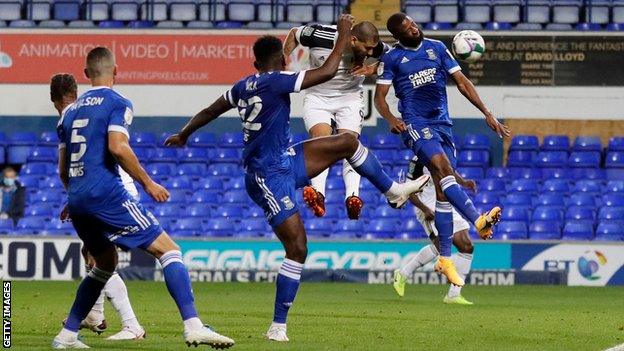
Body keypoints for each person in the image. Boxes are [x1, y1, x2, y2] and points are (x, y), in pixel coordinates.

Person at [165, 14, 430, 343]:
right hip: (266, 176)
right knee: (298, 247)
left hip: (284, 159)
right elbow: (329, 71)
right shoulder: (277, 80)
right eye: (284, 58)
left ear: (254, 62)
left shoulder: (241, 86)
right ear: (280, 60)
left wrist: (183, 133)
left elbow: (210, 110)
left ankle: (392, 191)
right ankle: (277, 327)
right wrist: (344, 32)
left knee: (348, 142)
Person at [52, 48, 234, 349]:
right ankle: (194, 326)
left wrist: (75, 197)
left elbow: (62, 169)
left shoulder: (69, 113)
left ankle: (67, 334)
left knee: (103, 265)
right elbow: (118, 147)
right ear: (117, 71)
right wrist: (148, 183)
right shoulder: (118, 102)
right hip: (106, 194)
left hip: (78, 198)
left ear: (86, 75)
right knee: (169, 251)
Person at [374, 13, 510, 287]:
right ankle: (478, 219)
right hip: (416, 123)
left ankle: (445, 259)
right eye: (407, 28)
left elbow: (462, 83)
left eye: (414, 24)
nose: (414, 28)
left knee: (443, 193)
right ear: (398, 36)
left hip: (443, 124)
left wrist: (487, 113)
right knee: (441, 167)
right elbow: (379, 98)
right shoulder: (391, 59)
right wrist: (392, 120)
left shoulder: (436, 48)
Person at [50, 73, 146, 341]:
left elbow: (65, 170)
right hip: (110, 186)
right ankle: (95, 314)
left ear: (51, 98)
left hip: (110, 189)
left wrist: (75, 197)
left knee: (102, 257)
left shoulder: (67, 118)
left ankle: (131, 325)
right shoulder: (89, 109)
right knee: (90, 252)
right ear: (77, 90)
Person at [283, 21, 390, 220]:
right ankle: (318, 194)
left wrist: (374, 69)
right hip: (318, 95)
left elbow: (394, 57)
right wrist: (283, 62)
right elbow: (295, 34)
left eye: (372, 50)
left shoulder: (374, 48)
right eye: (366, 48)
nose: (369, 53)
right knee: (320, 139)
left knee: (349, 143)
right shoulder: (319, 35)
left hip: (349, 97)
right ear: (353, 39)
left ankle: (353, 197)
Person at [393, 157, 477, 305]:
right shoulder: (417, 160)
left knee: (466, 246)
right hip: (427, 206)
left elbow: (447, 171)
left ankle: (453, 294)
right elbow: (407, 190)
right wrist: (424, 209)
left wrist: (463, 182)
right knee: (441, 247)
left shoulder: (441, 151)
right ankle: (403, 274)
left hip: (444, 203)